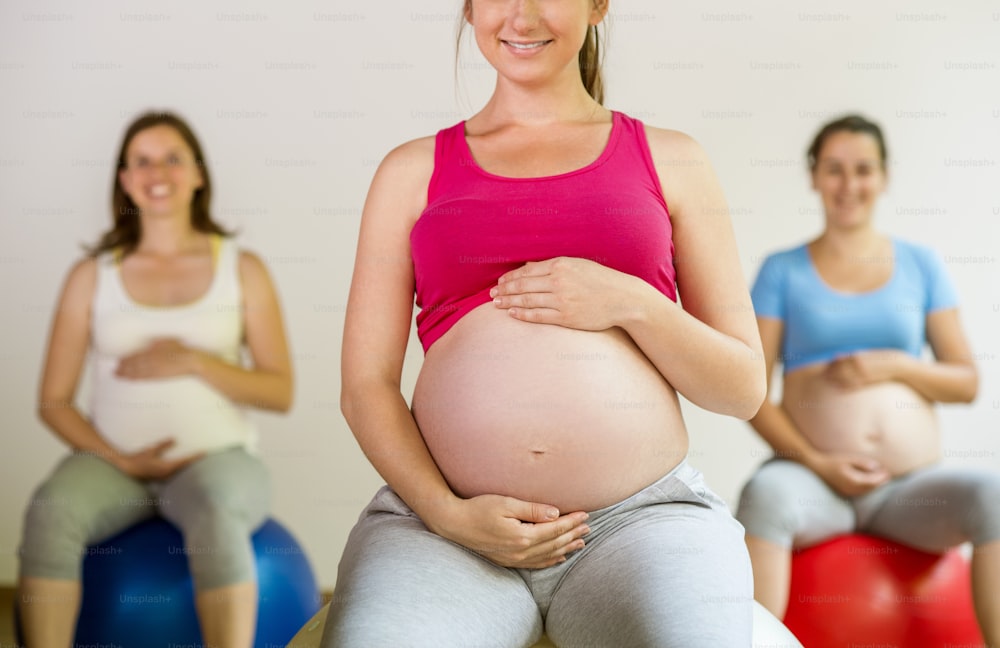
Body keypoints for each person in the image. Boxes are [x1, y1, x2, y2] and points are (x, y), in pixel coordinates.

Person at [326, 1, 766, 646]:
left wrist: (630, 301)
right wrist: (447, 514)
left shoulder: (673, 159)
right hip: (444, 528)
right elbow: (365, 385)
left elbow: (742, 388)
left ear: (596, 5)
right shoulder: (410, 171)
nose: (522, 15)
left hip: (638, 522)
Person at [17, 111, 293, 648]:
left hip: (216, 463)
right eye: (140, 161)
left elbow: (279, 391)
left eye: (172, 158)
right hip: (115, 466)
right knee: (50, 514)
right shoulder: (92, 275)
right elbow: (53, 402)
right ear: (124, 179)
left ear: (198, 175)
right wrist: (119, 459)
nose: (156, 172)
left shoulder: (243, 268)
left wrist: (193, 361)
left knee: (216, 513)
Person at [735, 114, 1000, 643]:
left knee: (994, 496)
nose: (849, 185)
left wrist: (895, 365)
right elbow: (752, 391)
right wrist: (819, 463)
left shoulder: (920, 265)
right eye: (834, 169)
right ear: (813, 176)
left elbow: (966, 382)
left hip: (908, 491)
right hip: (814, 484)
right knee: (764, 494)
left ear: (883, 177)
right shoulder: (781, 270)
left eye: (863, 170)